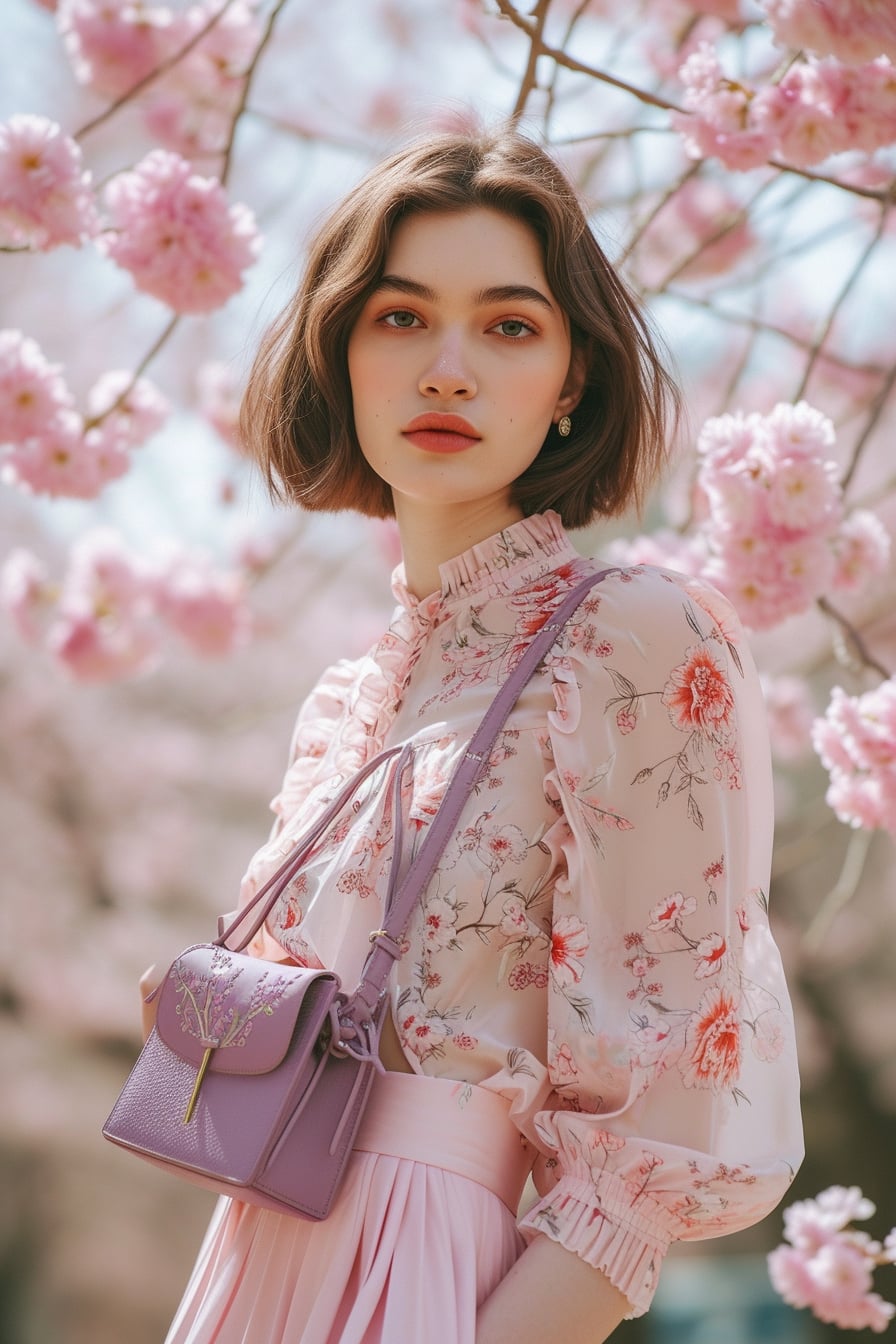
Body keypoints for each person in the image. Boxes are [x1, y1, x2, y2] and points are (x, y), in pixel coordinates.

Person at [158, 125, 803, 1343]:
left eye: (508, 326)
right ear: (338, 350)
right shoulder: (349, 697)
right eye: (399, 317)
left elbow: (646, 1153)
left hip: (435, 1282)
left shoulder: (633, 635)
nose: (447, 368)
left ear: (570, 381)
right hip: (248, 1271)